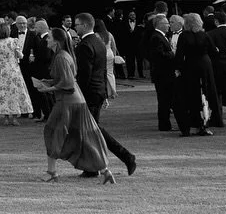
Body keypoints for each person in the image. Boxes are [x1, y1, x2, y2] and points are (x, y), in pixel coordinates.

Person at [36, 28, 113, 183]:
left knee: (53, 132)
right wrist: (49, 82)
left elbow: (67, 83)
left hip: (67, 101)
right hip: (75, 100)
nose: (46, 40)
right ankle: (105, 171)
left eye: (49, 37)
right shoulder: (64, 55)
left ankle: (52, 172)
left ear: (57, 41)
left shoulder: (61, 57)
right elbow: (67, 79)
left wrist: (47, 88)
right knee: (82, 137)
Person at [73, 12, 137, 177]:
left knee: (93, 130)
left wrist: (78, 93)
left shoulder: (85, 45)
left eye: (77, 24)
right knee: (90, 130)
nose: (75, 27)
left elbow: (84, 75)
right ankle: (92, 167)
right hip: (98, 91)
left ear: (86, 25)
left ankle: (126, 156)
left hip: (90, 93)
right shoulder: (99, 42)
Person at [173, 12, 217, 136]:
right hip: (205, 65)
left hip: (191, 67)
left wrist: (178, 68)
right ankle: (205, 124)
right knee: (206, 94)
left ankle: (195, 123)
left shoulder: (184, 36)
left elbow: (180, 55)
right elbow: (213, 51)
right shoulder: (205, 35)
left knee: (192, 95)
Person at [0, 18, 30, 125]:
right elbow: (20, 56)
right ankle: (15, 118)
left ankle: (6, 118)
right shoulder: (14, 41)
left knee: (3, 93)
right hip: (13, 69)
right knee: (14, 92)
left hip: (1, 70)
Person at [144, 13, 178, 131]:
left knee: (166, 99)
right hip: (163, 74)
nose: (168, 25)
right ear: (160, 24)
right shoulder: (157, 37)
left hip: (164, 73)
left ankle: (165, 124)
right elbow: (159, 55)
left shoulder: (160, 36)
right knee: (164, 100)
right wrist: (172, 53)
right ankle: (164, 125)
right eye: (166, 23)